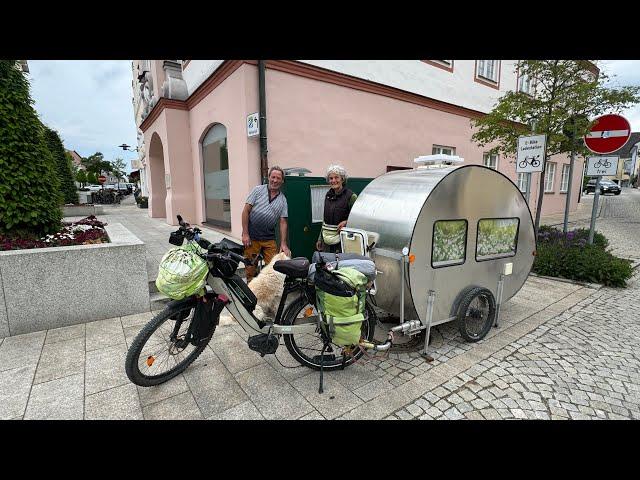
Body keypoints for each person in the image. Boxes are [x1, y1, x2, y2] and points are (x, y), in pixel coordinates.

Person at [242, 165, 291, 282]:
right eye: (273, 177)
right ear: (268, 177)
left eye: (278, 178)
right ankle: (250, 292)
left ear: (282, 181)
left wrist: (283, 243)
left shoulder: (283, 199)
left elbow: (283, 222)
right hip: (252, 237)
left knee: (274, 268)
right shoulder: (257, 190)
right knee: (250, 268)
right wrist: (245, 233)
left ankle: (266, 291)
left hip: (269, 239)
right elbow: (245, 211)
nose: (275, 180)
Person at [316, 164, 358, 253]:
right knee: (327, 265)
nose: (333, 180)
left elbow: (358, 218)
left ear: (342, 179)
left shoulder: (351, 196)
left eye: (336, 177)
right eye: (331, 178)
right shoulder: (328, 195)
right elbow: (325, 220)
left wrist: (346, 222)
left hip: (342, 242)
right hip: (326, 242)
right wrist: (320, 239)